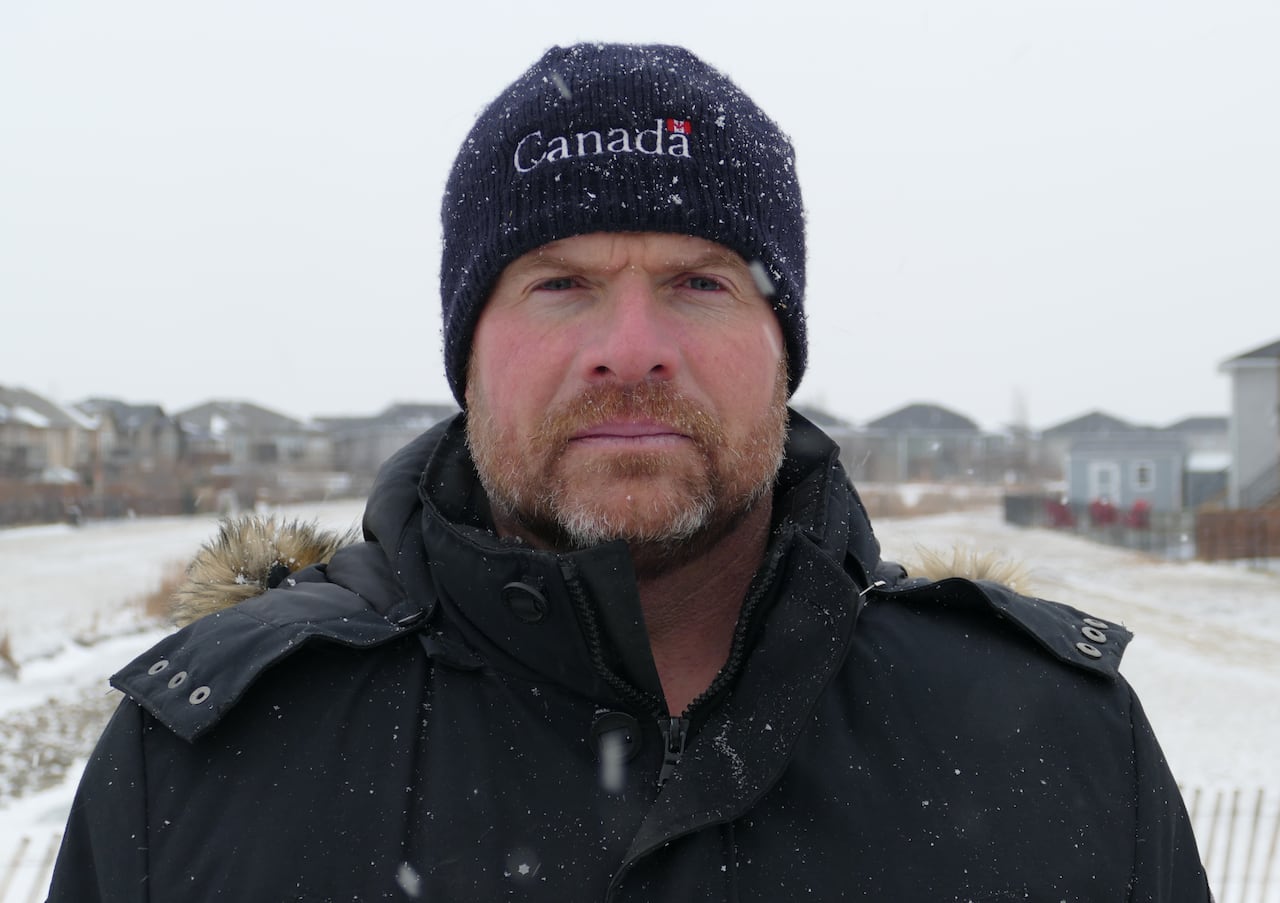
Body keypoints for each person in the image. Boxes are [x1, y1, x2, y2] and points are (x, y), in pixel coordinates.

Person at [47, 43, 1211, 901]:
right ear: (466, 356)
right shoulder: (205, 761)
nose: (630, 344)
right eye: (557, 283)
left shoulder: (1052, 741)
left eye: (700, 281)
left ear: (782, 350)